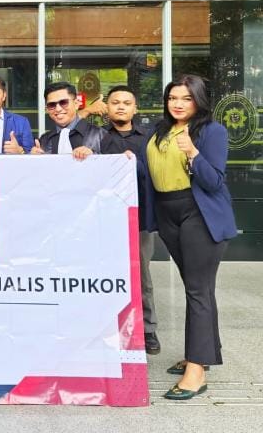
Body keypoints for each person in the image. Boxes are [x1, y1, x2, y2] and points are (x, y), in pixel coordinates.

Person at [142, 75, 237, 400]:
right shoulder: (159, 131)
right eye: (173, 98)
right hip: (168, 213)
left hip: (199, 213)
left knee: (197, 291)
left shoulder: (212, 131)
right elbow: (149, 171)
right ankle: (203, 353)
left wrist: (194, 153)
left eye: (186, 98)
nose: (178, 104)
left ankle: (196, 371)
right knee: (199, 289)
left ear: (199, 100)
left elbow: (214, 181)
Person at [100, 86, 160, 355]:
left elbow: (154, 173)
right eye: (115, 102)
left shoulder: (149, 138)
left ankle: (148, 329)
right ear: (107, 108)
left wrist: (133, 163)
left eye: (127, 102)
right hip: (105, 217)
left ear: (135, 108)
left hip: (140, 217)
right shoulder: (98, 138)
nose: (121, 107)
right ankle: (110, 327)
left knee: (141, 274)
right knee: (107, 274)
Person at [32, 81, 106, 159]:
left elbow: (113, 164)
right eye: (52, 105)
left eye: (64, 102)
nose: (58, 109)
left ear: (76, 104)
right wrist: (34, 159)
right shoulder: (44, 140)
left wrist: (93, 156)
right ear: (47, 109)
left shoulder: (100, 135)